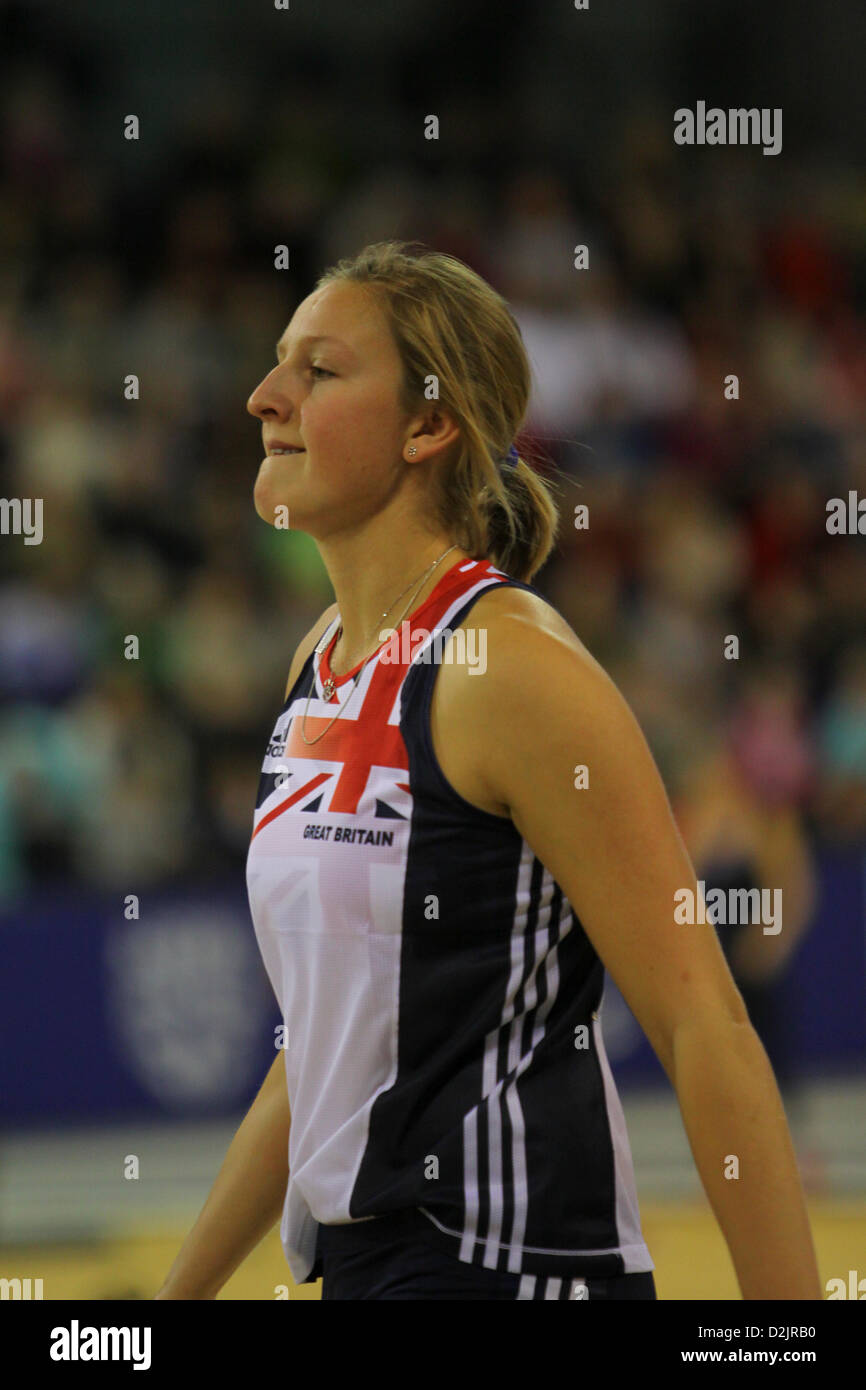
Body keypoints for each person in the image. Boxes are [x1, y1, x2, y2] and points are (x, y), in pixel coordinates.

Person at [156, 239, 820, 1300]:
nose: (263, 396)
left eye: (320, 371)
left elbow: (703, 1022)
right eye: (279, 363)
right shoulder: (319, 661)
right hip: (369, 1266)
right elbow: (326, 1054)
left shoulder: (508, 667)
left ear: (428, 425)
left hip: (509, 1265)